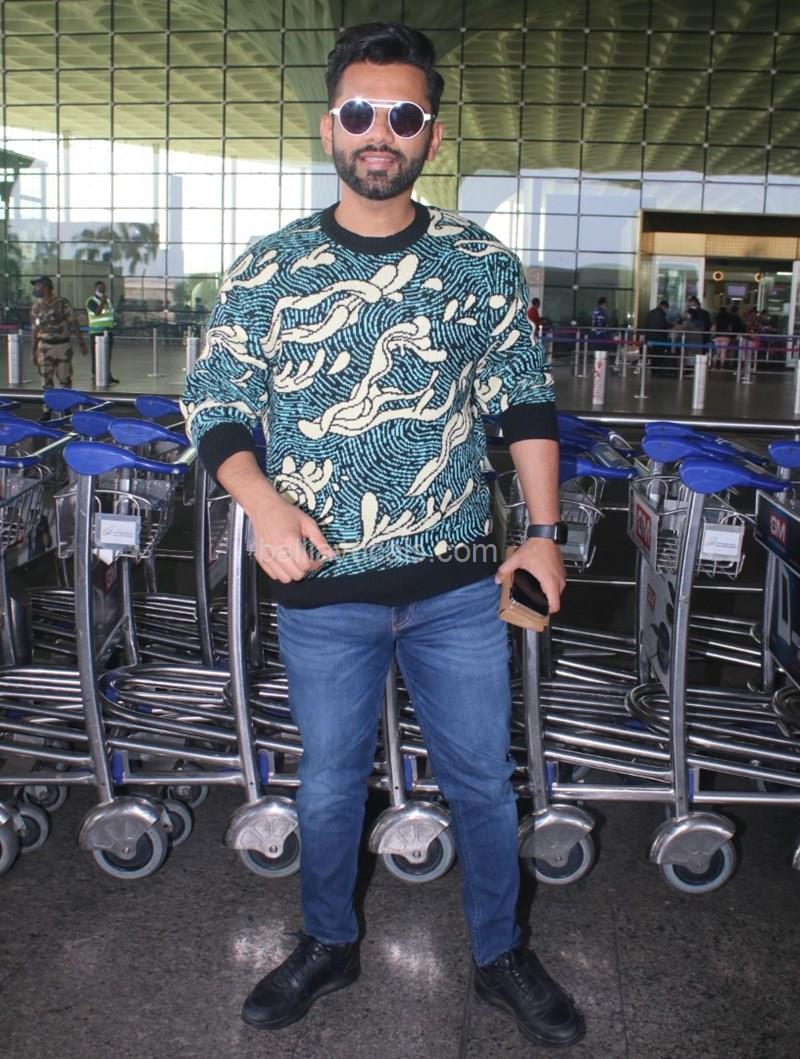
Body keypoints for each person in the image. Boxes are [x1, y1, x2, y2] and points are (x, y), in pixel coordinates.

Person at [181, 21, 583, 1051]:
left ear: (430, 137)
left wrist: (542, 533)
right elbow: (216, 405)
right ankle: (328, 940)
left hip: (458, 585)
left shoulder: (477, 264)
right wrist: (262, 504)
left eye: (402, 115)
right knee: (326, 785)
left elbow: (522, 404)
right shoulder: (271, 269)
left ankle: (499, 953)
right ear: (329, 127)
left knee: (482, 780)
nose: (379, 132)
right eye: (359, 111)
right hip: (323, 587)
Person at [30, 275, 87, 389]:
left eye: (37, 285)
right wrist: (33, 352)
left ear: (46, 287)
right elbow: (35, 330)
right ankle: (49, 400)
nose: (35, 288)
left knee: (65, 380)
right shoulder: (36, 307)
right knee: (46, 382)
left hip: (62, 346)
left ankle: (65, 400)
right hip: (44, 347)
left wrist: (81, 343)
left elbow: (74, 323)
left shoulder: (62, 303)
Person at [85, 280, 119, 385]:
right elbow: (97, 312)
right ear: (95, 289)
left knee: (107, 355)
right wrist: (102, 302)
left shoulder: (108, 301)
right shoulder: (91, 301)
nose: (102, 290)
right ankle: (96, 375)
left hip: (108, 331)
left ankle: (107, 375)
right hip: (96, 332)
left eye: (104, 288)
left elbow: (111, 314)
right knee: (96, 355)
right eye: (100, 288)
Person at [644, 299, 670, 374]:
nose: (666, 310)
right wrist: (671, 326)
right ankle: (658, 370)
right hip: (659, 338)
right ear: (664, 306)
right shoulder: (661, 314)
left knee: (653, 355)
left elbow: (646, 324)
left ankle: (653, 370)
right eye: (666, 308)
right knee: (659, 355)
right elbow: (663, 325)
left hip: (650, 337)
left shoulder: (651, 313)